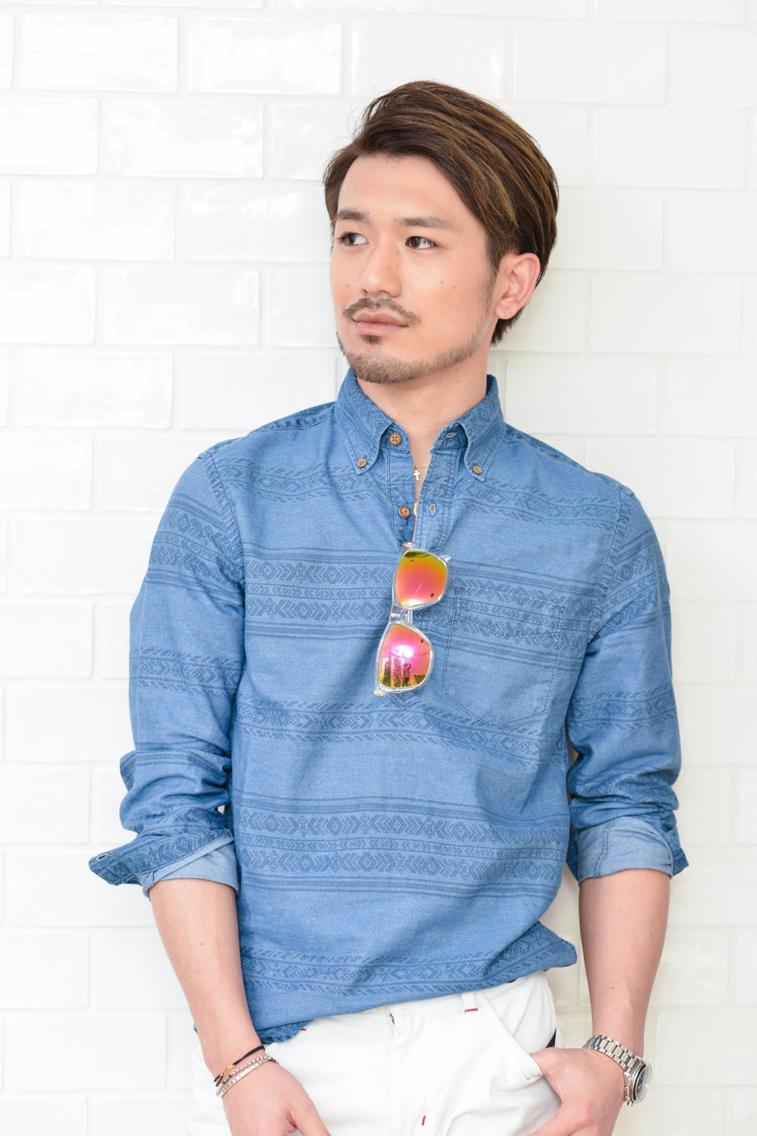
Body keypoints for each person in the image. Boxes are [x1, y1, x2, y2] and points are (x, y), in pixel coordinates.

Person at [89, 79, 688, 1136]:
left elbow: (624, 800)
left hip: (506, 1055)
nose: (371, 275)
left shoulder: (595, 526)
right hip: (287, 1061)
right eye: (351, 236)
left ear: (511, 281)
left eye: (419, 242)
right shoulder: (230, 496)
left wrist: (614, 1054)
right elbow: (175, 793)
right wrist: (236, 1062)